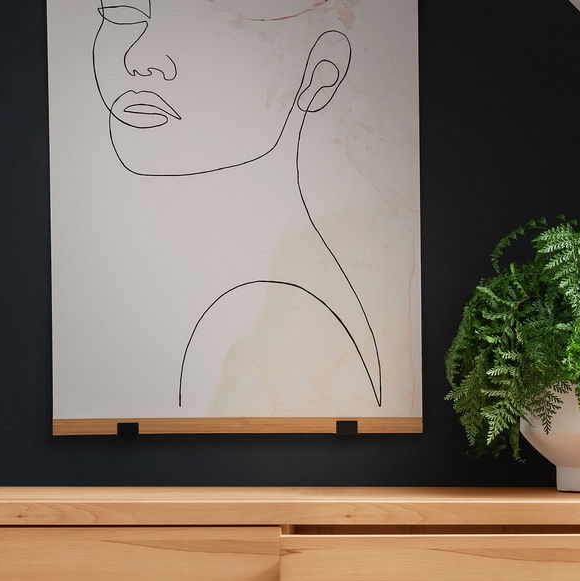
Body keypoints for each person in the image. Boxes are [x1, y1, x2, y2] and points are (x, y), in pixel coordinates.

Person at [91, 0, 383, 412]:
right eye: (123, 12)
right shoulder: (178, 287)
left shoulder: (274, 317)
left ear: (320, 74)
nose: (137, 59)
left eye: (203, 18)